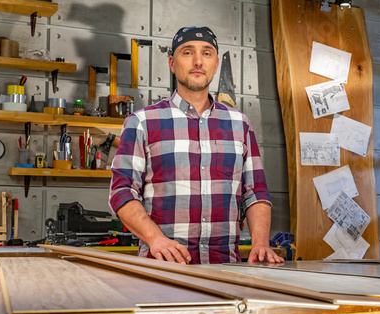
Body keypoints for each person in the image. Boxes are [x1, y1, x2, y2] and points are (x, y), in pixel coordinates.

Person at [109, 26, 284, 265]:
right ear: (172, 63)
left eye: (207, 53)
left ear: (215, 65)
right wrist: (155, 239)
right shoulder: (142, 122)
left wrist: (261, 244)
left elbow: (255, 192)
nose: (198, 61)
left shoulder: (239, 124)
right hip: (163, 270)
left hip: (225, 270)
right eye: (188, 52)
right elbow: (121, 191)